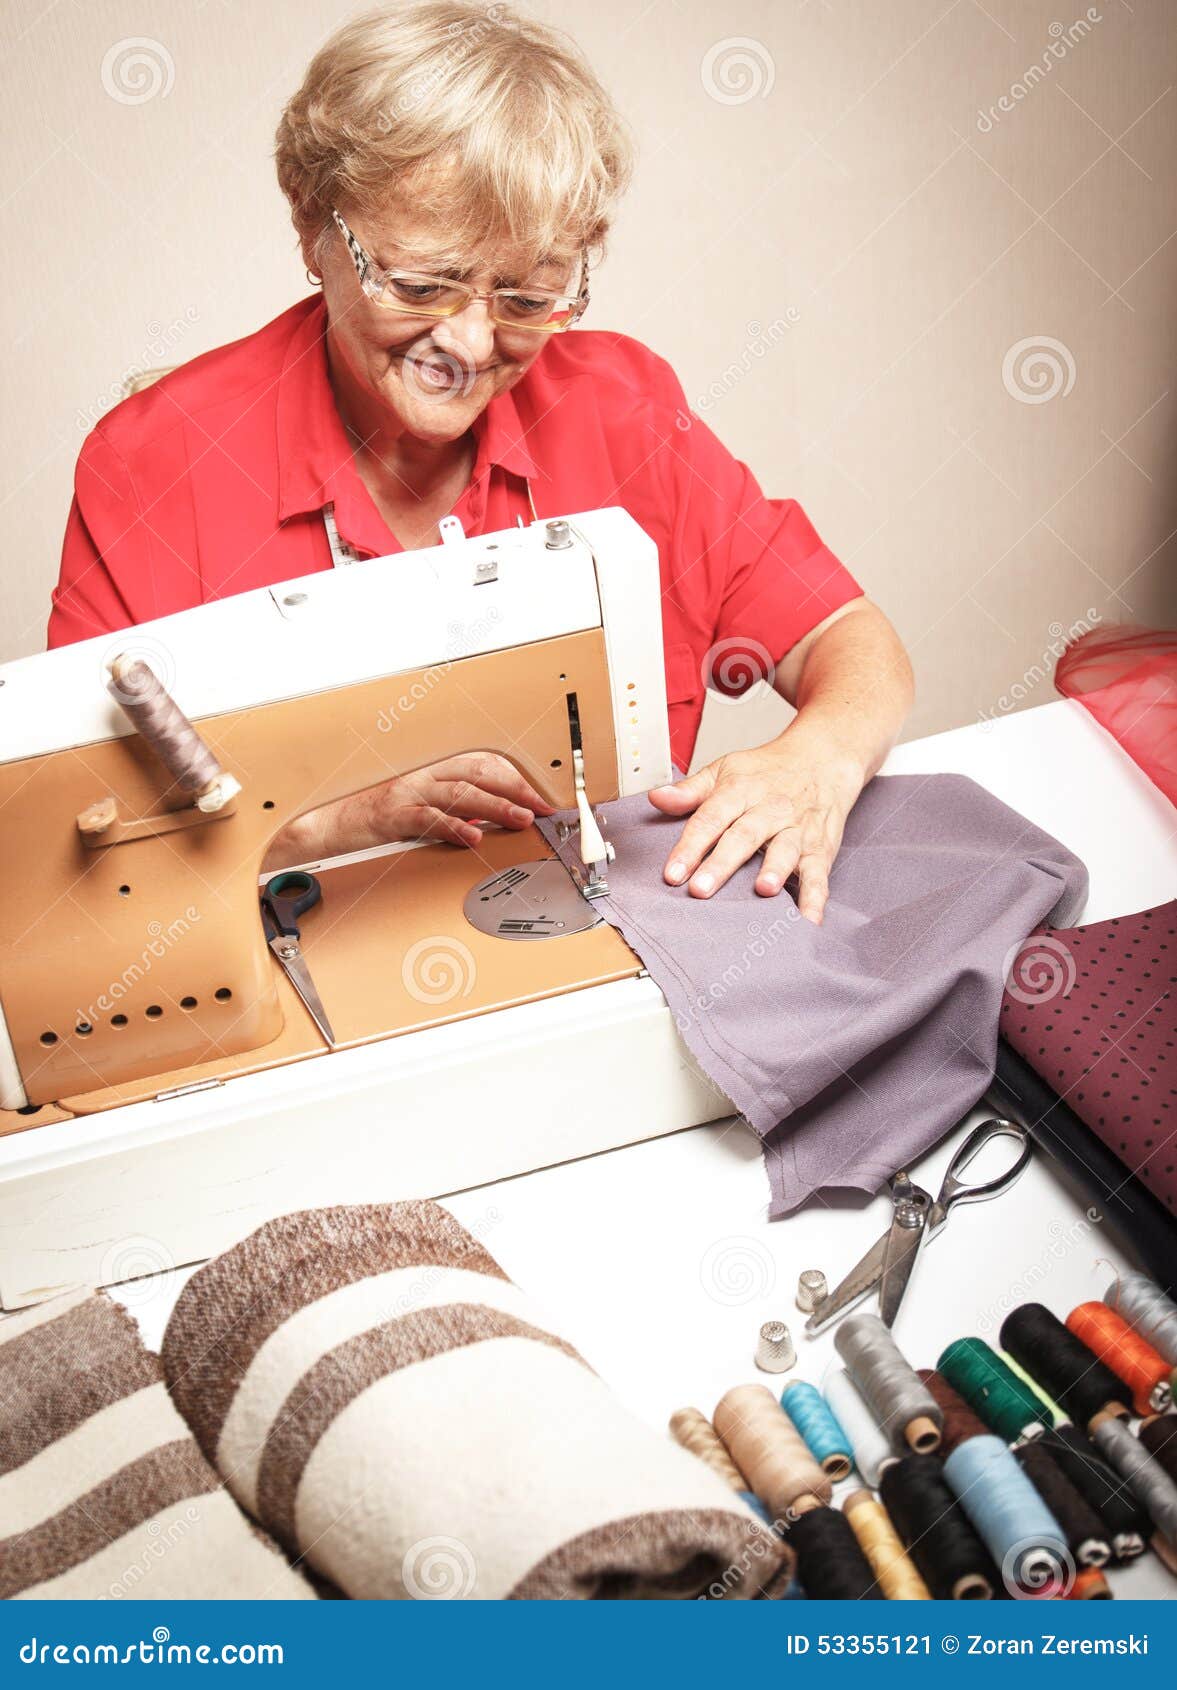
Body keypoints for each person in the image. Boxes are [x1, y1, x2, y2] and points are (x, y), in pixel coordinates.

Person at [49, 2, 913, 922]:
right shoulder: (157, 460)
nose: (468, 342)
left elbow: (843, 640)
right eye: (421, 285)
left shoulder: (619, 408)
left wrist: (817, 759)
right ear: (312, 230)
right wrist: (337, 821)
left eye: (527, 296)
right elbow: (81, 825)